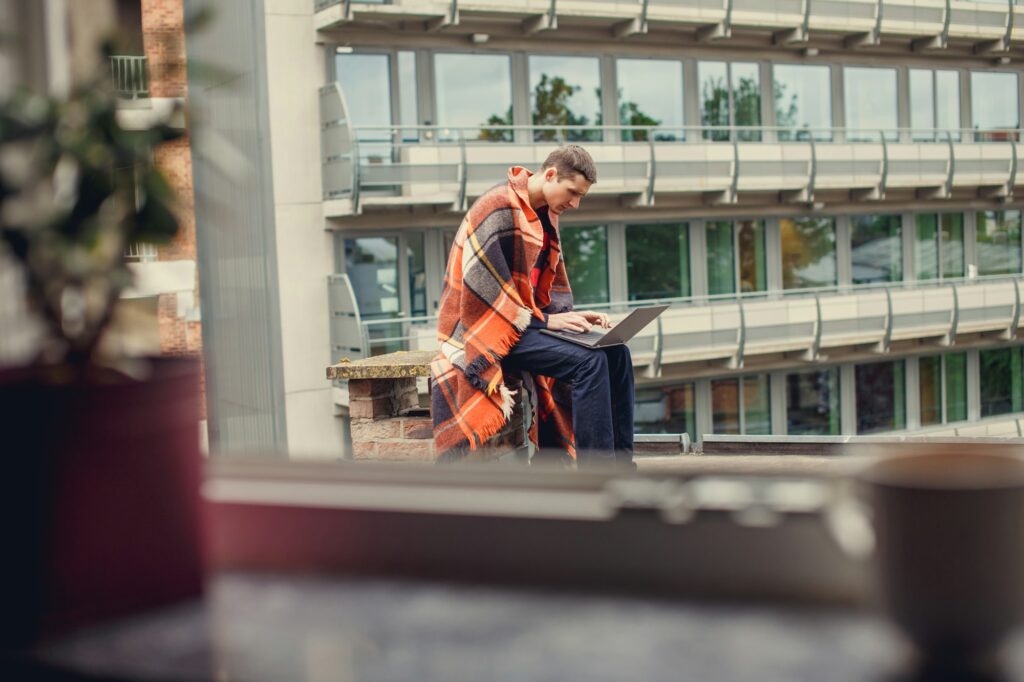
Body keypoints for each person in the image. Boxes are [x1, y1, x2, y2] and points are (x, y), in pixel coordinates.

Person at [430, 145, 635, 469]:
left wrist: (566, 317)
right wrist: (547, 325)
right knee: (590, 363)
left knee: (616, 353)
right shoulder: (498, 207)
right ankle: (598, 476)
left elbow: (536, 295)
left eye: (581, 196)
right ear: (550, 174)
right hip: (483, 331)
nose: (575, 204)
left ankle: (622, 468)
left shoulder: (543, 215)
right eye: (572, 193)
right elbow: (480, 298)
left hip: (523, 324)